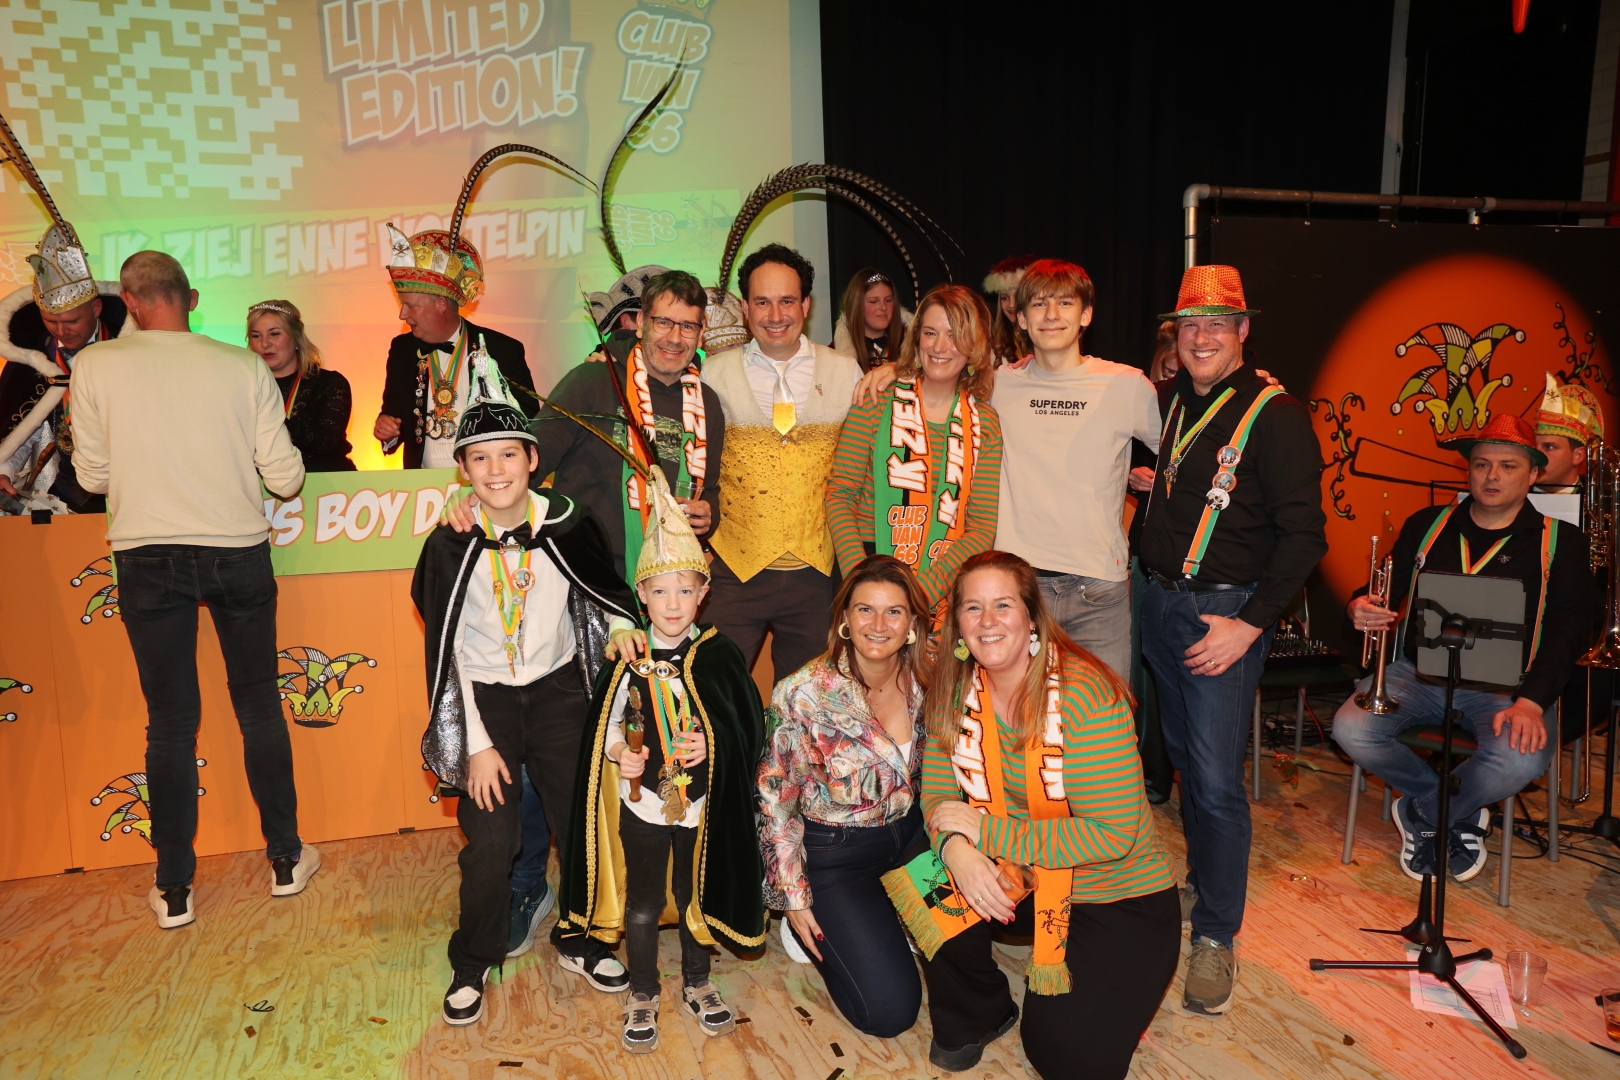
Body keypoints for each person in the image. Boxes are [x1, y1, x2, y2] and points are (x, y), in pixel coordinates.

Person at [69, 250, 317, 929]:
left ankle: (174, 888)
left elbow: (91, 478)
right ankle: (286, 859)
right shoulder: (241, 366)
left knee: (171, 723)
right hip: (236, 547)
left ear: (128, 300)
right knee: (258, 705)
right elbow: (287, 477)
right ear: (193, 298)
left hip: (146, 552)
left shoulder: (95, 366)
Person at [411, 357, 641, 1024]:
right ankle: (473, 959)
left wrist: (624, 628)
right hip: (485, 699)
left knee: (584, 825)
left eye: (508, 454)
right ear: (462, 470)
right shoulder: (451, 543)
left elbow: (607, 594)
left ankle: (585, 939)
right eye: (479, 458)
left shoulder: (568, 522)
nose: (495, 470)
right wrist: (476, 745)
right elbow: (447, 652)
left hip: (559, 693)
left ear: (533, 459)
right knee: (491, 841)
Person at [1136, 264, 1326, 1016]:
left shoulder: (1277, 415)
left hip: (1222, 618)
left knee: (1215, 783)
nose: (1203, 336)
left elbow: (1305, 537)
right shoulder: (1173, 399)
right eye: (1191, 325)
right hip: (1160, 605)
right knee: (1184, 762)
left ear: (1244, 331)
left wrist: (1249, 627)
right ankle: (1202, 882)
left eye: (1218, 323)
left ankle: (1216, 933)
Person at [910, 550, 1179, 1078]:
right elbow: (937, 795)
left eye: (1003, 605)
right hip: (1025, 873)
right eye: (973, 608)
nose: (987, 621)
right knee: (924, 877)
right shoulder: (951, 687)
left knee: (1063, 1058)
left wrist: (985, 832)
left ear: (1032, 616)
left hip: (1115, 892)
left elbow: (1113, 835)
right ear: (957, 623)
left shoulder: (1085, 693)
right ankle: (980, 1009)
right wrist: (956, 850)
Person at [555, 468, 765, 1053]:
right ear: (641, 595)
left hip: (700, 807)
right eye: (660, 592)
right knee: (645, 902)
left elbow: (744, 726)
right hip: (643, 804)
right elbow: (605, 730)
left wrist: (712, 745)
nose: (673, 604)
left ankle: (698, 982)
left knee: (696, 896)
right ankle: (643, 989)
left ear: (704, 593)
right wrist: (620, 757)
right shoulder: (627, 655)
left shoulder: (719, 654)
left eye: (685, 591)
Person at [1333, 414, 1592, 881]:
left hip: (1509, 686)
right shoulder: (1427, 524)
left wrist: (1532, 702)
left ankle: (1424, 813)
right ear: (1468, 470)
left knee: (1520, 759)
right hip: (1420, 673)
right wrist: (1360, 605)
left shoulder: (1562, 541)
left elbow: (1568, 628)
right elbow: (1382, 589)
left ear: (1533, 474)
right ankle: (1459, 811)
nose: (1492, 476)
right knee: (1352, 728)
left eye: (1508, 466)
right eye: (1481, 464)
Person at [758, 555, 932, 1038]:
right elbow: (775, 799)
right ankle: (830, 922)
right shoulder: (802, 694)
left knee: (960, 944)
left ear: (912, 624)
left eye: (894, 612)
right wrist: (794, 897)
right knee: (890, 1013)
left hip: (914, 841)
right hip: (837, 856)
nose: (878, 625)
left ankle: (888, 909)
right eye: (865, 610)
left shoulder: (930, 678)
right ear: (844, 620)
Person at [701, 243, 861, 684]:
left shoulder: (847, 372)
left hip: (819, 577)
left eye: (787, 301)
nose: (775, 315)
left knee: (808, 707)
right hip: (733, 573)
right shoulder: (712, 374)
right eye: (762, 302)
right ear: (745, 308)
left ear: (806, 305)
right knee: (712, 696)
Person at [825, 284, 1002, 622]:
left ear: (974, 345)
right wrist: (861, 581)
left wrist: (921, 592)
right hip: (867, 565)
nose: (939, 346)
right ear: (916, 337)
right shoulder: (875, 401)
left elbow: (981, 527)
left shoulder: (986, 422)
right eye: (930, 332)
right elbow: (840, 494)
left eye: (954, 335)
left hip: (943, 580)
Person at [374, 225, 537, 468]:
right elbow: (394, 415)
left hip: (486, 479)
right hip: (422, 484)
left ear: (441, 304)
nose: (402, 315)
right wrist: (387, 429)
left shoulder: (502, 350)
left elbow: (529, 421)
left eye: (411, 306)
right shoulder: (402, 350)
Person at [0, 221, 130, 514]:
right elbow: (24, 429)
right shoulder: (34, 361)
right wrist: (4, 468)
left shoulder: (129, 353)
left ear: (96, 309)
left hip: (131, 490)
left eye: (72, 321)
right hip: (68, 497)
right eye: (51, 321)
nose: (61, 331)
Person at [246, 300, 354, 473]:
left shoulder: (329, 383)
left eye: (274, 334)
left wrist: (271, 418)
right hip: (260, 484)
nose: (265, 343)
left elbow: (326, 442)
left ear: (296, 338)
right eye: (256, 336)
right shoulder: (242, 387)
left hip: (324, 482)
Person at [1534, 373, 1603, 493]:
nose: (1535, 456)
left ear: (1578, 456)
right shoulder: (1509, 497)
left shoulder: (1599, 501)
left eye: (1549, 447)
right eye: (1533, 446)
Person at [831, 268, 908, 372]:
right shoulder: (835, 353)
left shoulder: (913, 346)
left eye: (888, 300)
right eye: (873, 302)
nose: (883, 307)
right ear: (857, 306)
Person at [982, 255, 1036, 366]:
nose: (1011, 305)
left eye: (1017, 297)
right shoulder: (990, 343)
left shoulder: (1046, 336)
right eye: (1005, 298)